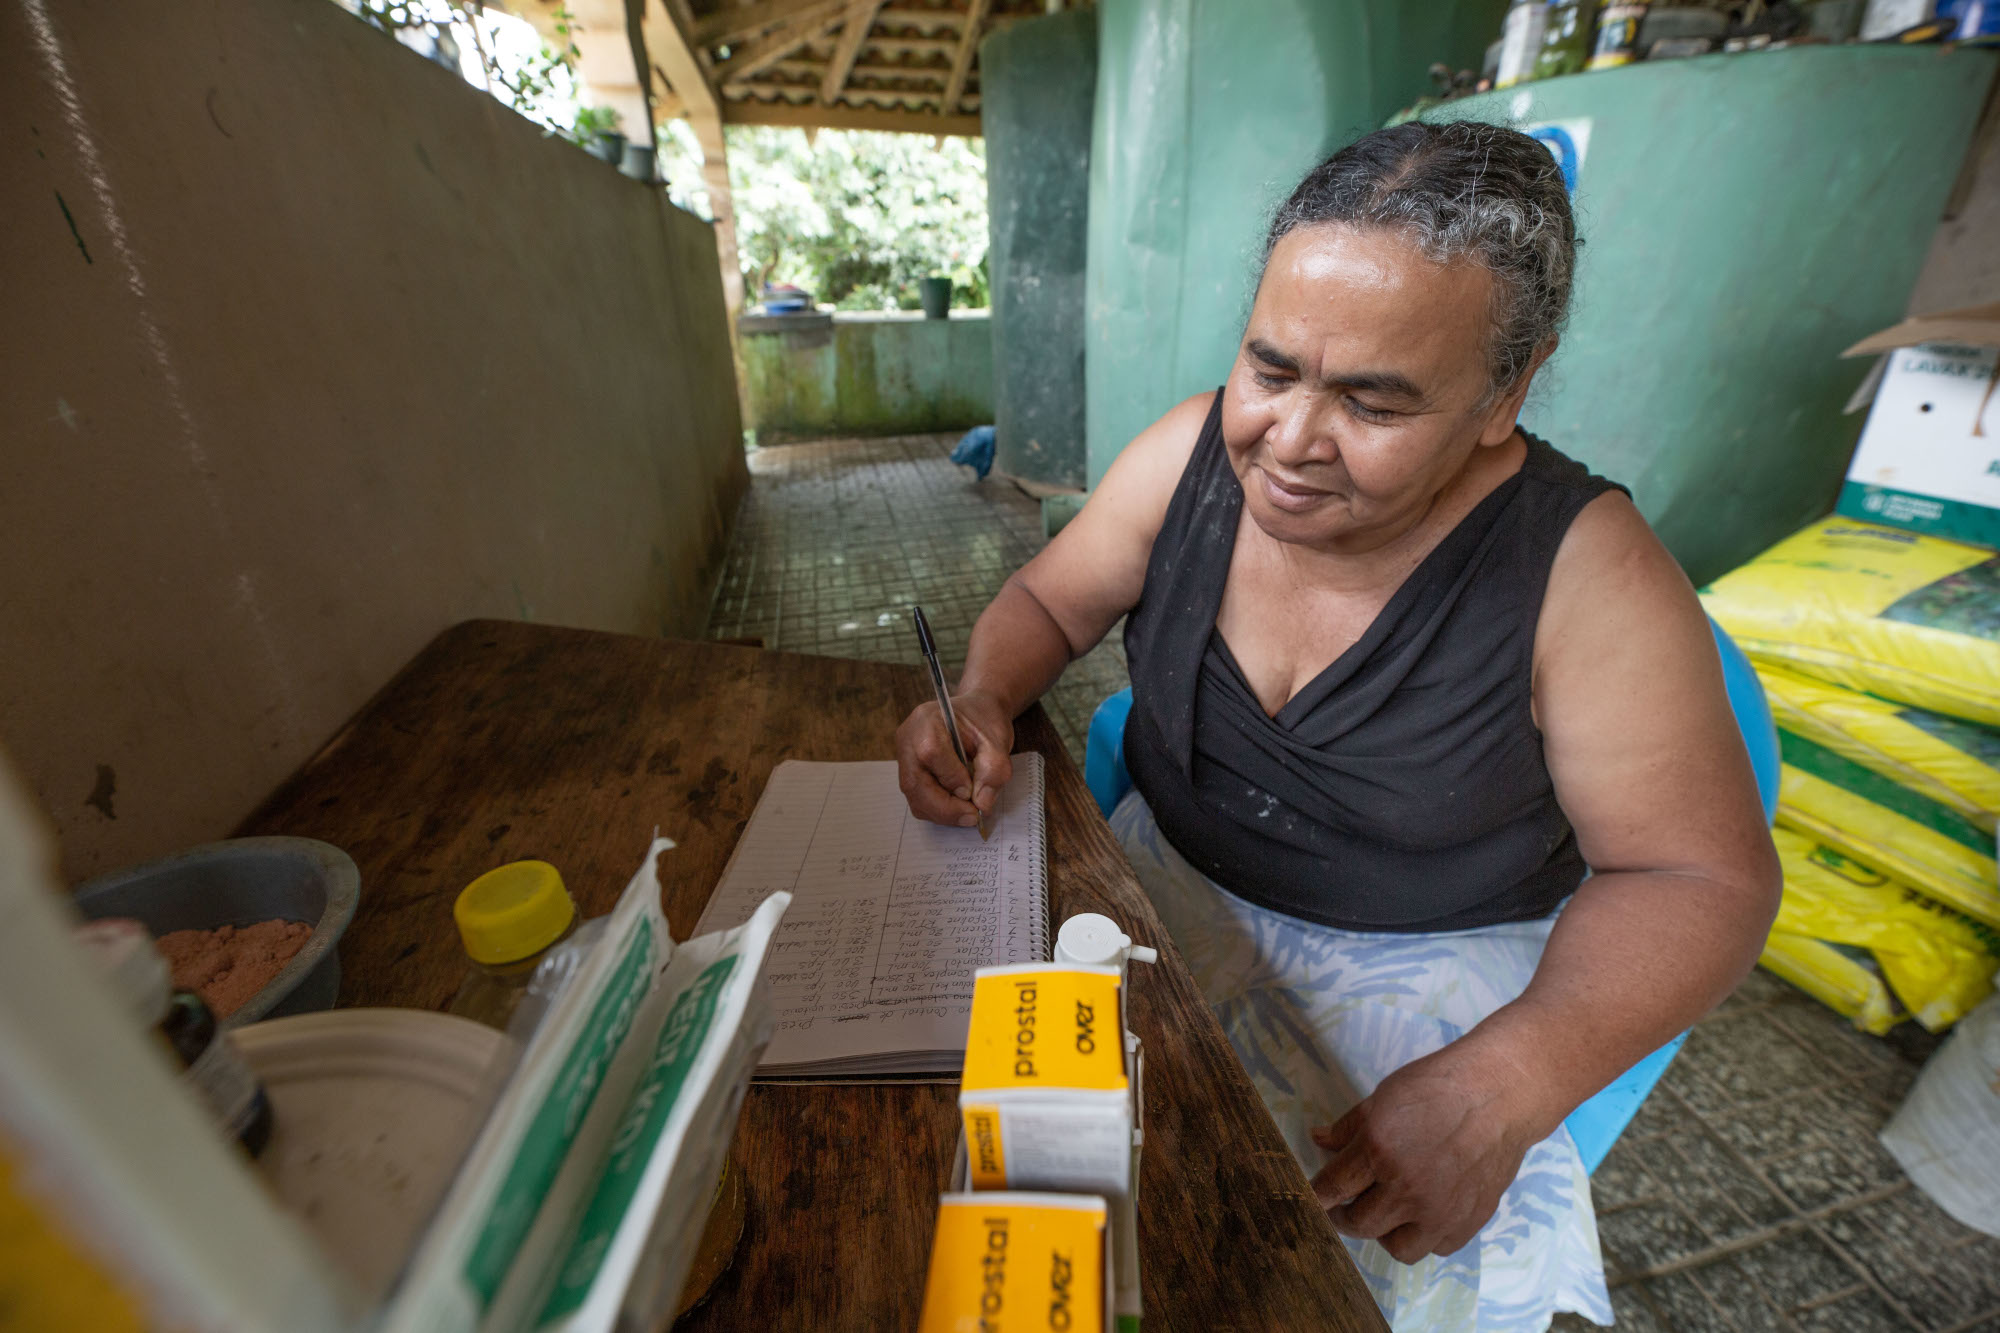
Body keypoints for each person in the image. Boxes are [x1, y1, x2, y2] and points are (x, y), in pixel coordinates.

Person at [894, 121, 1779, 1331]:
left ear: (1504, 392)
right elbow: (1052, 595)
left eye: (1371, 400)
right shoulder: (1187, 453)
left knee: (1300, 1282)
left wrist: (1504, 1084)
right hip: (1161, 897)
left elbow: (1698, 874)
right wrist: (986, 691)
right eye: (1271, 370)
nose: (1288, 442)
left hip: (1422, 973)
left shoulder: (1584, 577)